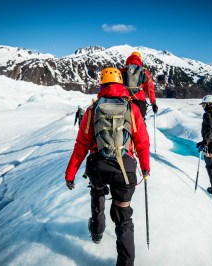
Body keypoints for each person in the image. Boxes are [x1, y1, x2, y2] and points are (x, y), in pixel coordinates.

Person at [65, 67, 150, 266]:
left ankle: (96, 233)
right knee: (124, 218)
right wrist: (145, 168)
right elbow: (142, 142)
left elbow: (81, 146)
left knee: (98, 195)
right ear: (121, 83)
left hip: (98, 168)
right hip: (125, 170)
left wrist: (70, 174)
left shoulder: (93, 109)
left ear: (101, 84)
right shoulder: (132, 108)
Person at [120, 51, 158, 119]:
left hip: (124, 101)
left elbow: (116, 86)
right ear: (140, 59)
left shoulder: (122, 71)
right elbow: (150, 89)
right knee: (140, 123)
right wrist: (153, 103)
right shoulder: (144, 72)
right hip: (139, 101)